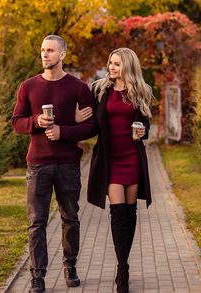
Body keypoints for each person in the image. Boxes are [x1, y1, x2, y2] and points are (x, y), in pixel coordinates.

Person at [12, 34, 96, 293]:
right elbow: (17, 122)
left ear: (62, 55)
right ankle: (37, 275)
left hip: (68, 164)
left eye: (50, 50)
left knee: (70, 217)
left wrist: (64, 132)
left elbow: (92, 126)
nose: (44, 54)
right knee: (36, 222)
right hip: (37, 165)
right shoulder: (28, 86)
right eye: (42, 50)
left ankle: (70, 266)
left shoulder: (78, 88)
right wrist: (36, 121)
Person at [76, 48, 153, 293]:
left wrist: (143, 130)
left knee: (130, 214)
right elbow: (92, 124)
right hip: (110, 160)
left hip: (132, 157)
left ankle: (124, 263)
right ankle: (122, 268)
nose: (111, 67)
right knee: (118, 213)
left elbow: (146, 124)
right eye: (110, 63)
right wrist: (75, 123)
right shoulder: (100, 90)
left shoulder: (140, 91)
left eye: (117, 64)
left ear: (127, 66)